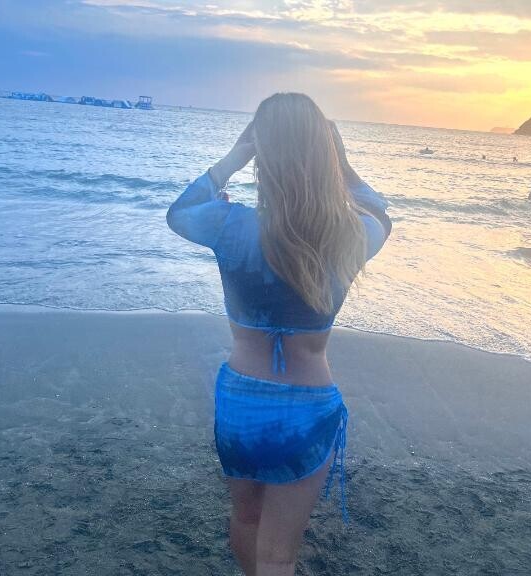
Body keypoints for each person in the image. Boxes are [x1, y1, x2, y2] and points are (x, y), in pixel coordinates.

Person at [166, 93, 392, 576]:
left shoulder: (230, 225)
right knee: (279, 554)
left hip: (241, 402)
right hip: (307, 407)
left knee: (246, 518)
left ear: (261, 155)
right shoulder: (349, 234)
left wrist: (234, 156)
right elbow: (379, 211)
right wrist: (341, 161)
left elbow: (180, 212)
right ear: (325, 152)